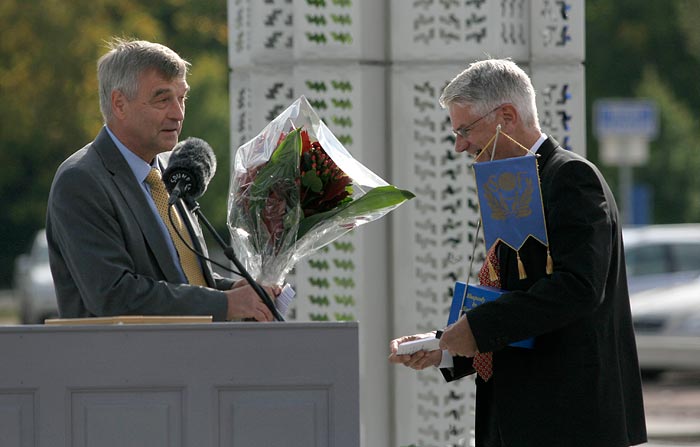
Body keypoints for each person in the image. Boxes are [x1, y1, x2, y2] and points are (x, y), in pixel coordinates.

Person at [389, 59, 647, 446]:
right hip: (519, 422)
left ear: (506, 116)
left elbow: (577, 287)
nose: (460, 146)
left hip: (569, 423)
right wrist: (444, 347)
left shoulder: (572, 178)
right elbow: (517, 303)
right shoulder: (518, 183)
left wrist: (476, 328)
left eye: (464, 130)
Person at [46, 38, 277, 322]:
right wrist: (224, 305)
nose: (178, 114)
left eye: (182, 98)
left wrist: (235, 291)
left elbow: (179, 279)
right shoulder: (81, 181)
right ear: (119, 104)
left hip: (190, 359)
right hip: (125, 363)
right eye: (163, 99)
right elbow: (114, 295)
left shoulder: (171, 170)